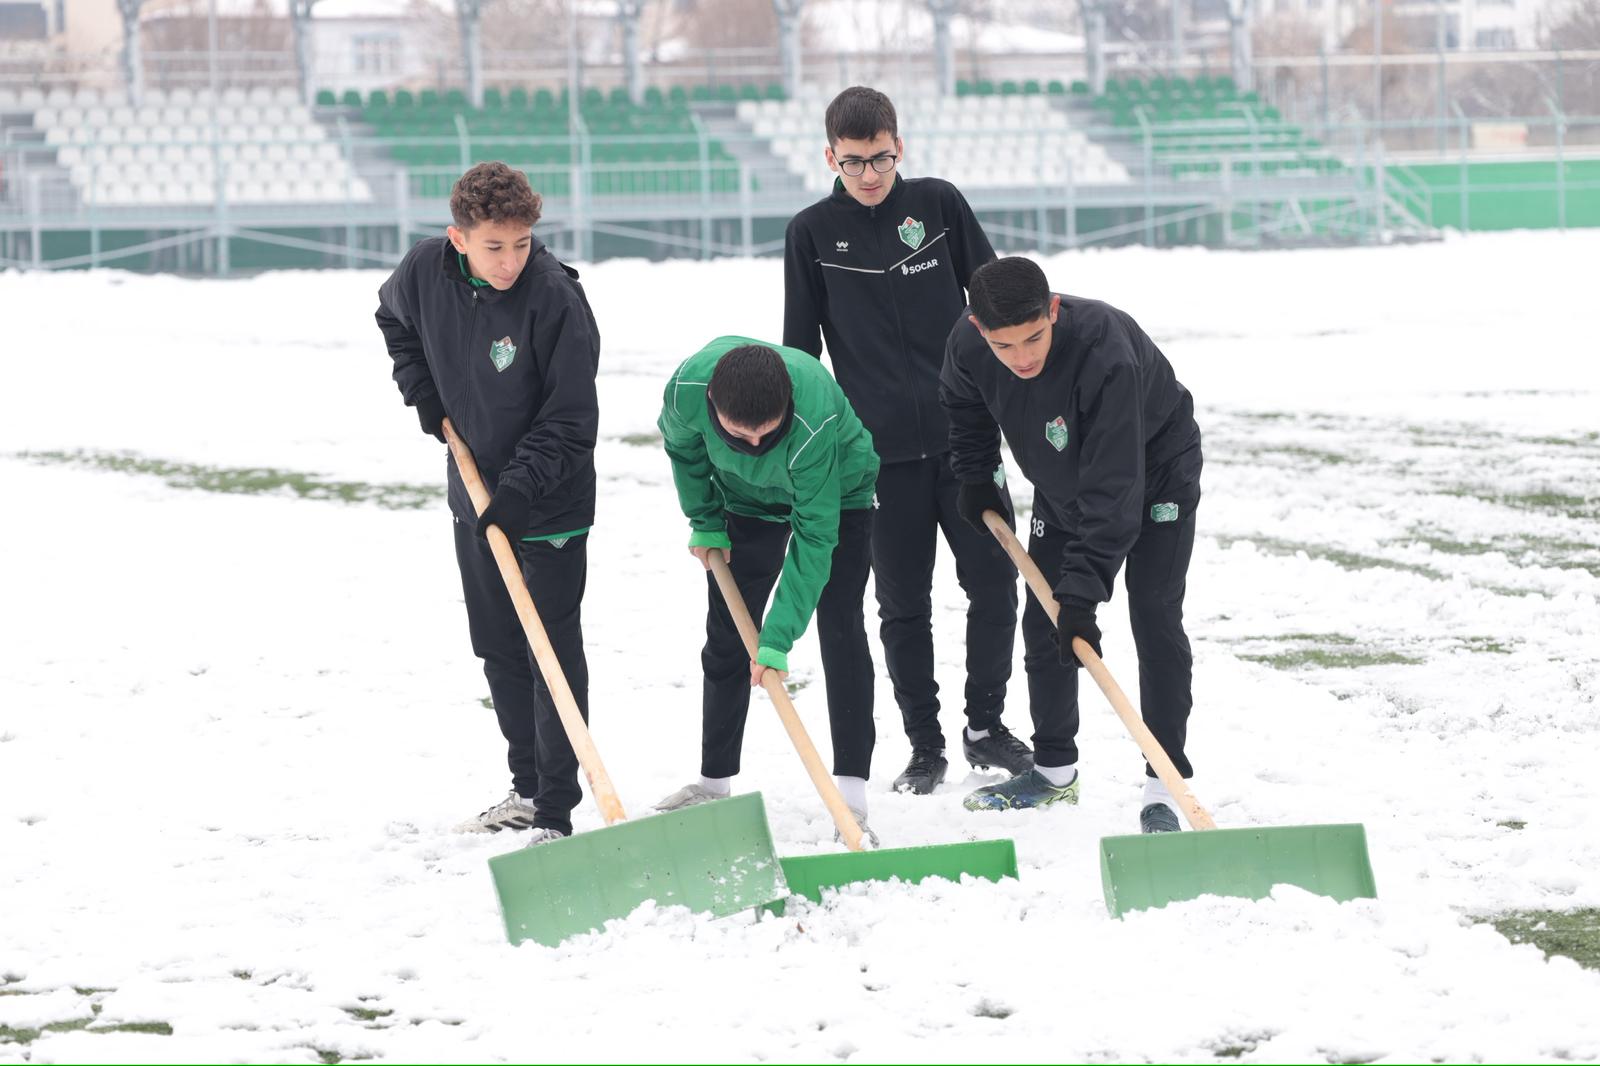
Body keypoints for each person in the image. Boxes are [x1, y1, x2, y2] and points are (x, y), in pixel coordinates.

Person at [782, 85, 1029, 798]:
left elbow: (995, 307)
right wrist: (807, 450)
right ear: (830, 157)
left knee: (995, 583)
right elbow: (800, 352)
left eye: (881, 159)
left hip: (965, 442)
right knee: (903, 606)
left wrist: (1009, 403)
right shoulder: (810, 233)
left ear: (900, 148)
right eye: (854, 162)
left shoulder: (939, 206)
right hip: (877, 459)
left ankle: (985, 725)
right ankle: (925, 745)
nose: (869, 174)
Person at [374, 161, 601, 845]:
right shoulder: (425, 270)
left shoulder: (555, 299)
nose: (509, 262)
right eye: (494, 247)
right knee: (498, 644)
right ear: (459, 238)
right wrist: (423, 394)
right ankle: (526, 790)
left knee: (548, 651)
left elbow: (571, 419)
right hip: (473, 490)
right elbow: (392, 317)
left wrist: (520, 490)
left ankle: (556, 812)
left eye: (521, 244)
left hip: (549, 502)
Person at [939, 257, 1203, 833]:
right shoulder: (968, 342)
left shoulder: (1105, 353)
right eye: (1004, 346)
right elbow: (963, 404)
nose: (1022, 357)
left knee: (1155, 615)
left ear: (1053, 310)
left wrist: (1082, 594)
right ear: (980, 329)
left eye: (1034, 337)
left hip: (1158, 474)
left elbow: (1114, 489)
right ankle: (1053, 771)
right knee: (1045, 621)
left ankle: (1165, 786)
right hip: (1062, 484)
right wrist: (976, 473)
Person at [654, 337, 882, 842]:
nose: (756, 445)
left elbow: (815, 536)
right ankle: (712, 784)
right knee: (727, 635)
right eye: (741, 434)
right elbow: (683, 449)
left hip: (838, 491)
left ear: (786, 408)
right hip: (744, 498)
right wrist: (705, 519)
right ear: (712, 403)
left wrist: (777, 640)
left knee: (840, 627)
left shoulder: (811, 419)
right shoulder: (686, 390)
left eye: (767, 433)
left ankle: (851, 799)